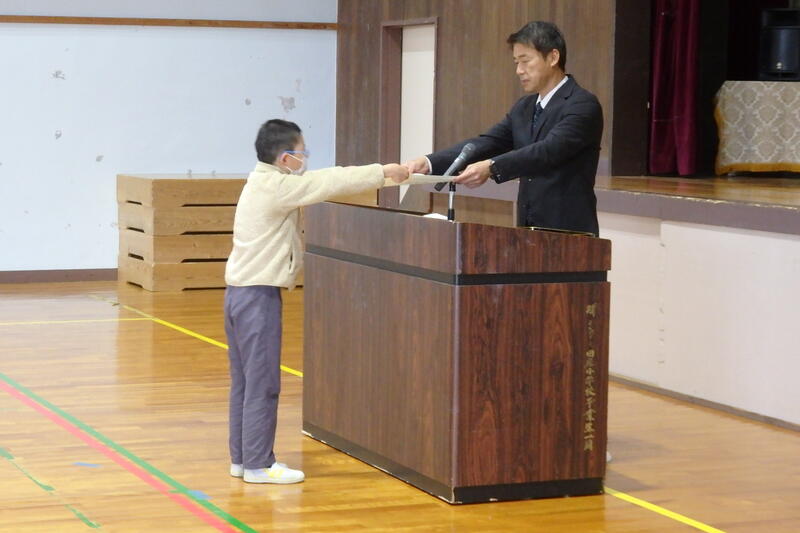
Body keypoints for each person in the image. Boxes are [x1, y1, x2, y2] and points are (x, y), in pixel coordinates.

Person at [224, 119, 408, 484]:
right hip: (257, 298)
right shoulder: (278, 187)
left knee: (244, 383)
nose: (305, 159)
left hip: (237, 295)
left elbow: (320, 180)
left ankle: (242, 460)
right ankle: (259, 465)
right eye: (302, 153)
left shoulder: (260, 180)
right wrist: (383, 172)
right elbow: (330, 181)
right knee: (263, 384)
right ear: (285, 158)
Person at [404, 21, 603, 236]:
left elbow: (548, 151)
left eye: (525, 61)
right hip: (527, 230)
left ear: (553, 57)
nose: (519, 70)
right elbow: (488, 142)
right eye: (516, 62)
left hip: (571, 233)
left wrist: (492, 167)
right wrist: (429, 162)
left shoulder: (582, 104)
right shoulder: (524, 108)